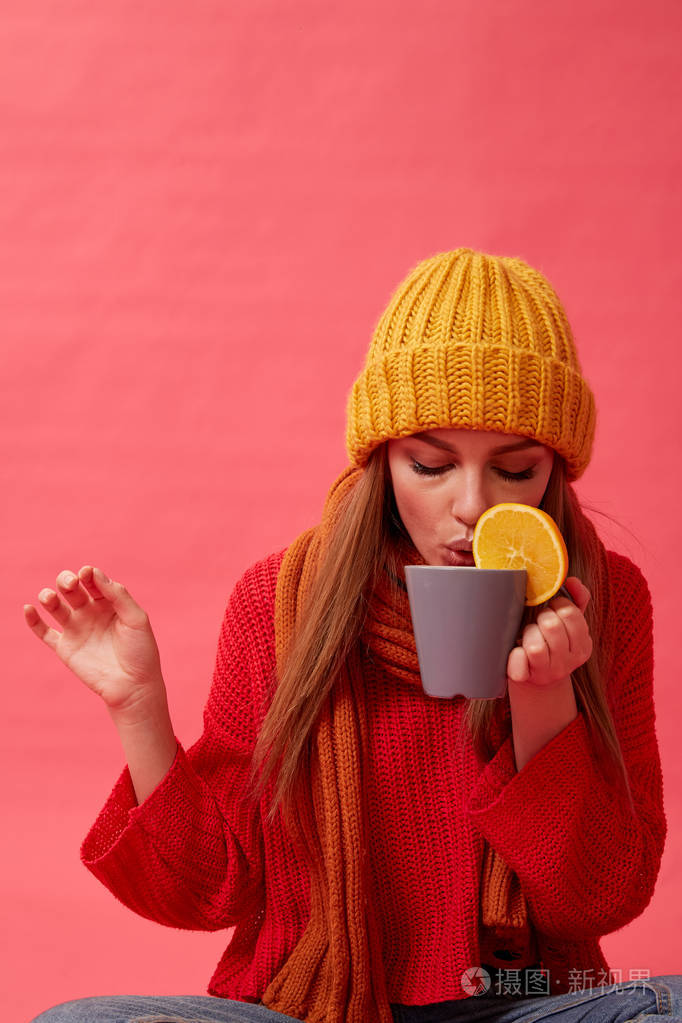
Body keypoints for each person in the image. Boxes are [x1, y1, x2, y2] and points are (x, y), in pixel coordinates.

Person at [24, 249, 680, 1023]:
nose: (470, 504)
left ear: (555, 471)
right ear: (382, 460)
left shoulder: (607, 598)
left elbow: (597, 899)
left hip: (520, 999)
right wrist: (137, 704)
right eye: (431, 463)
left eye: (514, 470)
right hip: (317, 1005)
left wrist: (545, 705)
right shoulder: (278, 599)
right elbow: (209, 889)